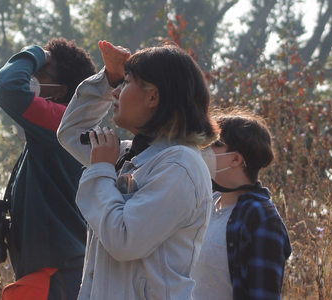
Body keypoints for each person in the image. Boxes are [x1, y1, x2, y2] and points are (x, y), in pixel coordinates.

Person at [57, 40, 218, 300]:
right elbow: (71, 132)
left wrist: (101, 168)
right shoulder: (128, 154)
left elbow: (124, 240)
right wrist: (108, 78)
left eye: (126, 82)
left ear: (153, 96)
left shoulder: (179, 166)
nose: (115, 93)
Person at [0, 38, 96, 300]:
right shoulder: (60, 129)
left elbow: (8, 87)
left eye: (40, 72)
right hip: (51, 276)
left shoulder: (62, 124)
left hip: (58, 278)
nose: (32, 77)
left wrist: (37, 52)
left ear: (60, 91)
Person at [192, 109, 292, 300]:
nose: (203, 150)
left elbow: (264, 294)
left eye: (214, 145)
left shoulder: (261, 218)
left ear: (236, 159)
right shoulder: (208, 203)